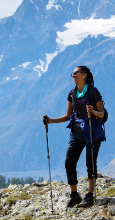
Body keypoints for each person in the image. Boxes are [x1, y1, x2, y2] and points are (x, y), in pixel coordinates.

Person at [43, 65, 105, 208]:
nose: (73, 76)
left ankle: (89, 196)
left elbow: (101, 113)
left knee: (90, 163)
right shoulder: (72, 93)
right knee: (69, 162)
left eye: (75, 73)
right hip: (76, 132)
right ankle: (75, 195)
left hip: (91, 131)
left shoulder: (93, 92)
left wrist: (93, 112)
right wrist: (51, 121)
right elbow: (68, 116)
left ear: (84, 75)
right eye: (72, 74)